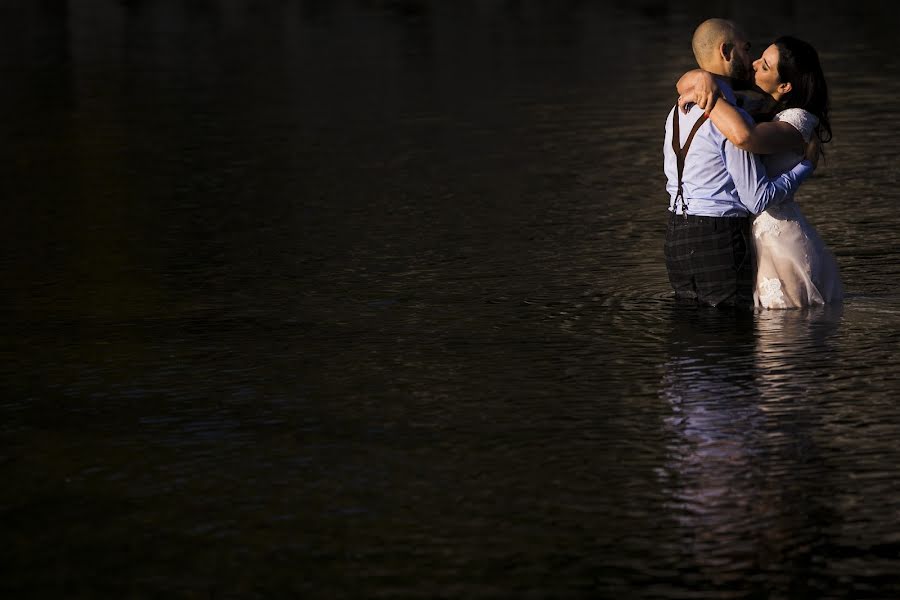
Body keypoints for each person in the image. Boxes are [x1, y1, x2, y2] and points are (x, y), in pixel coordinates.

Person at [677, 36, 843, 309]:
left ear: (785, 85)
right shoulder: (758, 105)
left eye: (765, 66)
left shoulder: (797, 121)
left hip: (781, 240)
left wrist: (705, 95)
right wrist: (703, 78)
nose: (754, 65)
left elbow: (746, 136)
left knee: (788, 336)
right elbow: (681, 83)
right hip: (753, 238)